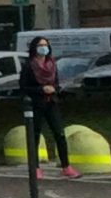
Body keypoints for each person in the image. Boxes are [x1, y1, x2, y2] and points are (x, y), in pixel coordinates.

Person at [24, 37, 77, 177]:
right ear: (34, 48)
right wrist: (41, 89)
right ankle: (35, 167)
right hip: (36, 104)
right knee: (34, 135)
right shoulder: (29, 65)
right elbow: (24, 87)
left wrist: (54, 89)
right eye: (40, 45)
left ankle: (66, 166)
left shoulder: (52, 64)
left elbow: (57, 84)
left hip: (51, 102)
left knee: (59, 133)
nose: (43, 48)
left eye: (45, 45)